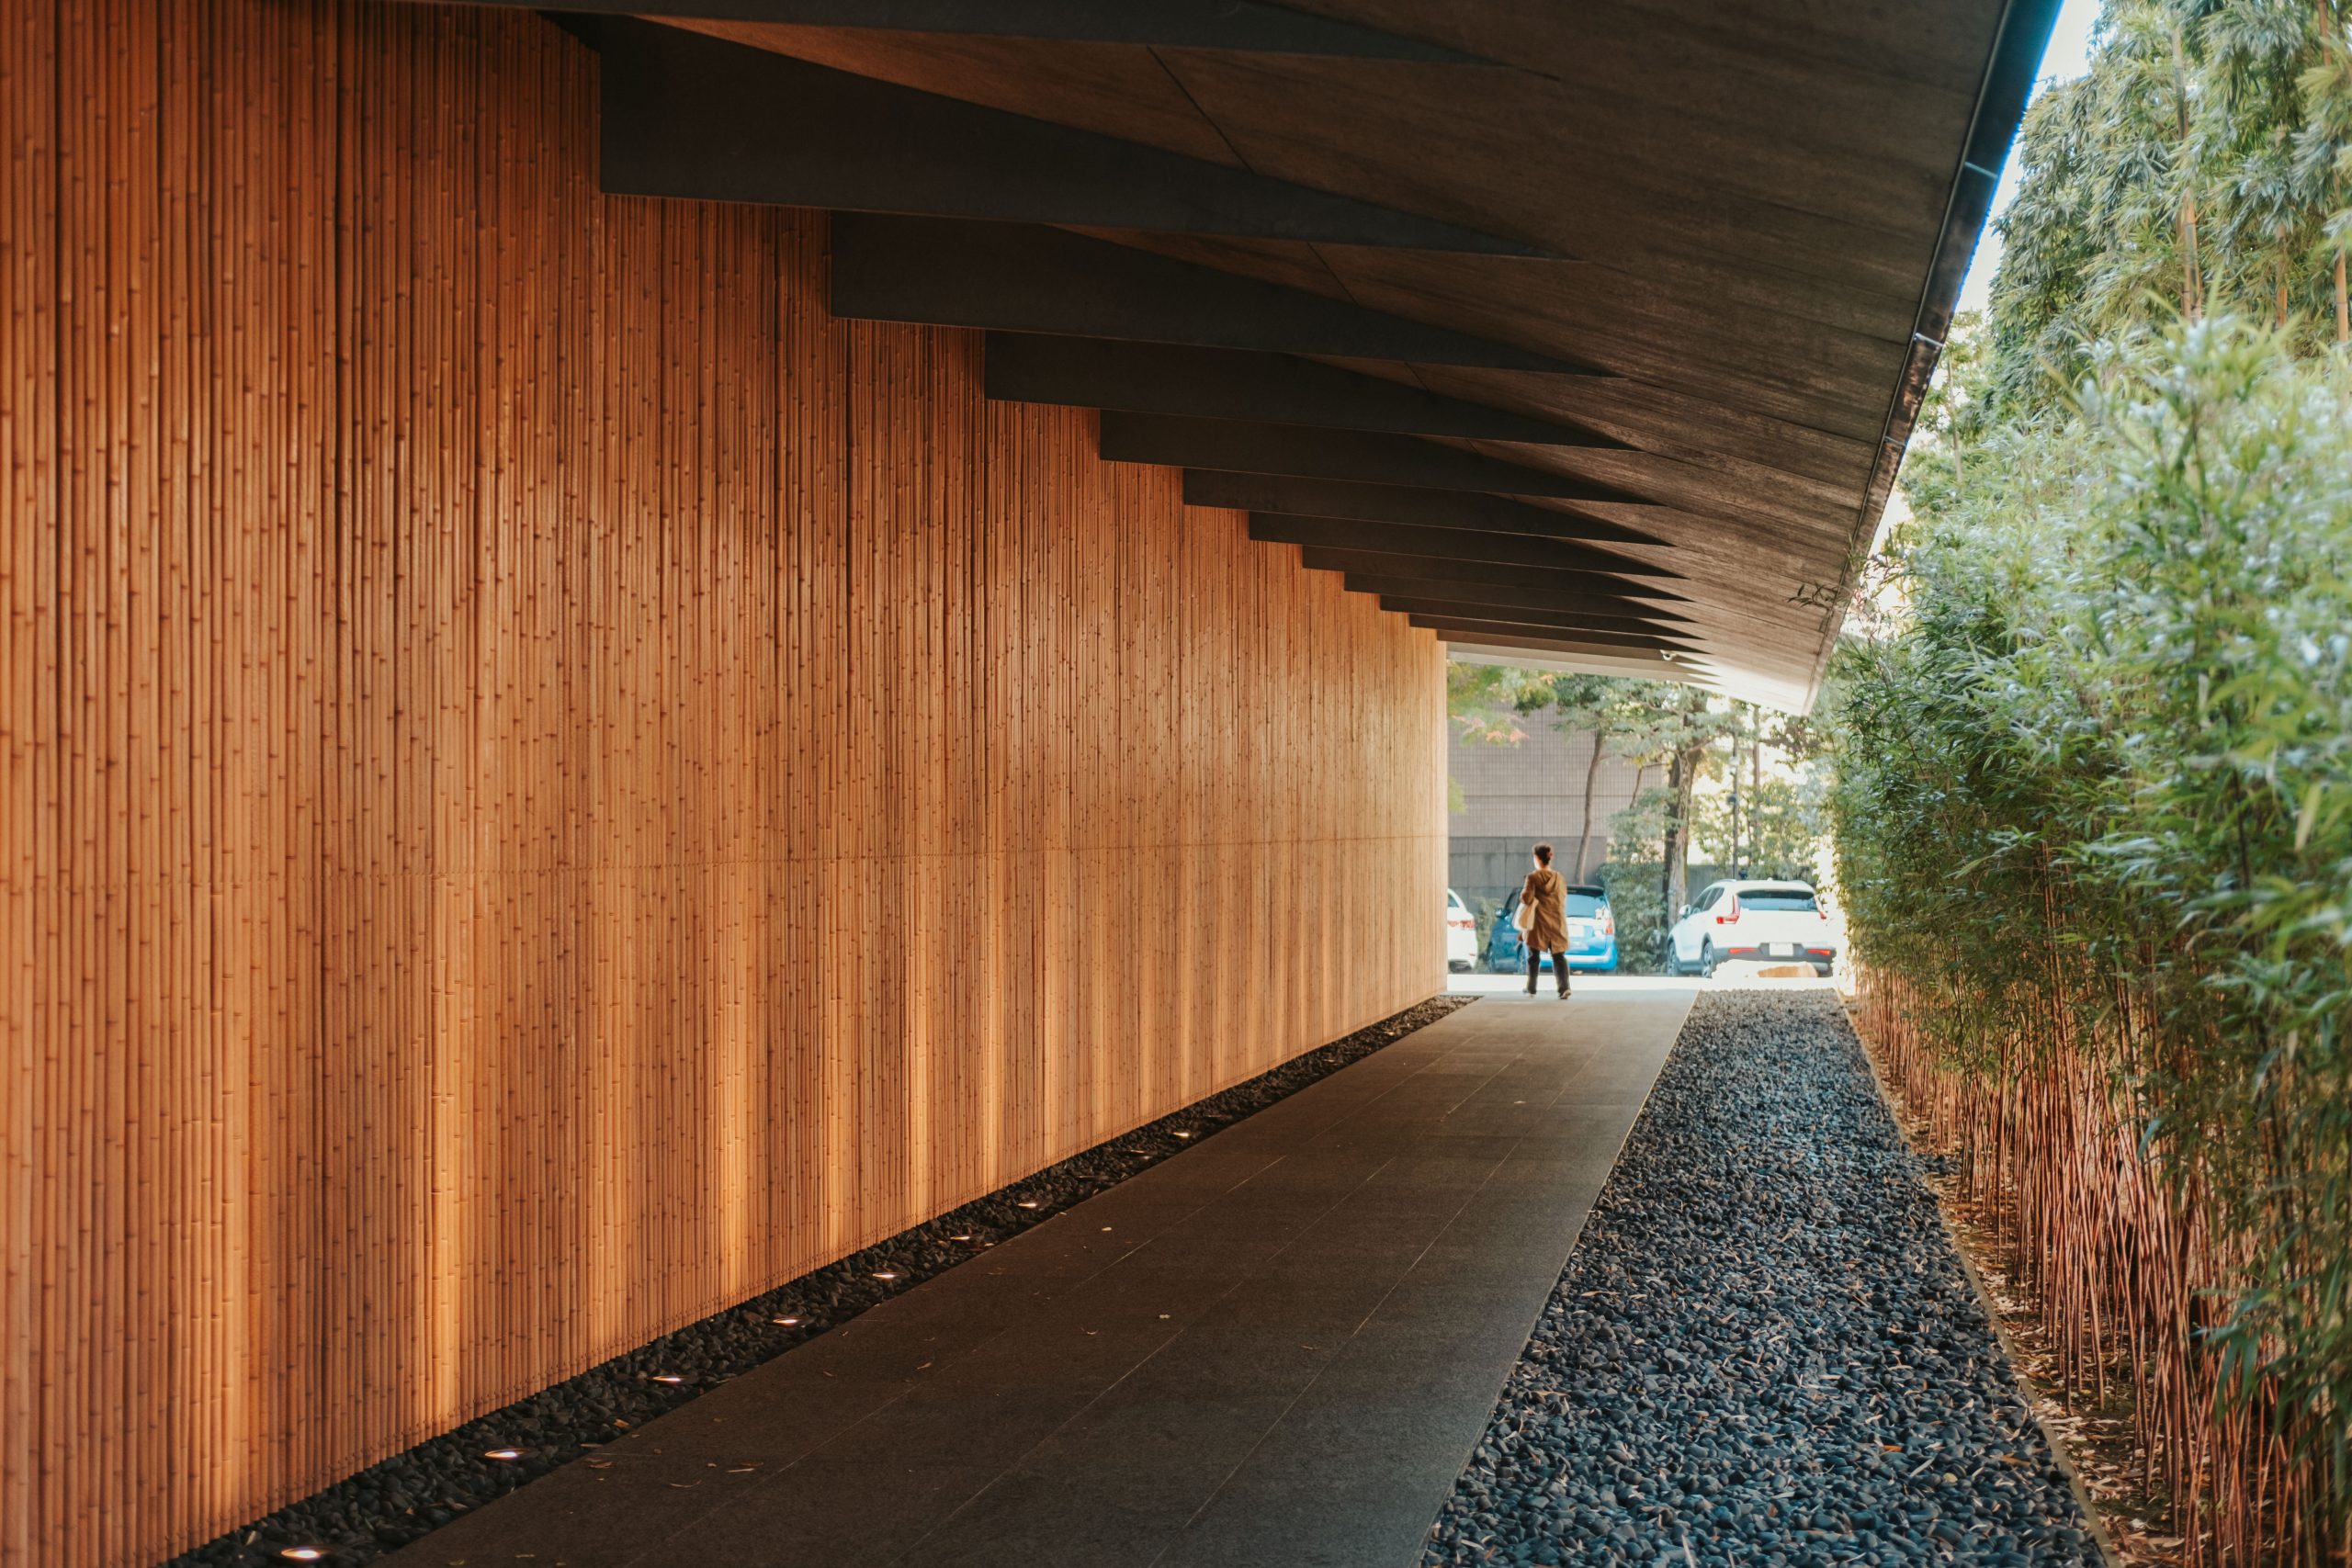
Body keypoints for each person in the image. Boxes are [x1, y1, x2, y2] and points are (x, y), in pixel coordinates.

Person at [1516, 843, 1571, 998]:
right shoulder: (1559, 878)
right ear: (1549, 858)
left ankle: (1531, 987)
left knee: (1533, 956)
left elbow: (1526, 898)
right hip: (1557, 921)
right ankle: (1564, 987)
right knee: (1559, 956)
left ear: (1536, 858)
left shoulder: (1533, 877)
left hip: (1538, 922)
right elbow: (1563, 897)